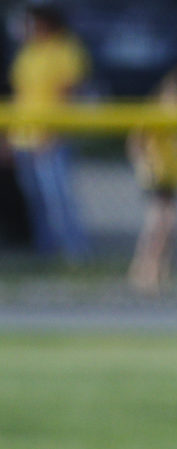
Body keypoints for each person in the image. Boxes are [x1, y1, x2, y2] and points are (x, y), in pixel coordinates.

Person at [8, 2, 89, 261]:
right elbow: (19, 97)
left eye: (32, 22)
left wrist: (52, 133)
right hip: (24, 136)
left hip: (52, 137)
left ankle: (77, 253)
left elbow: (67, 95)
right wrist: (8, 137)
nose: (27, 27)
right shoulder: (28, 52)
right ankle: (47, 253)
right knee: (36, 200)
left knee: (58, 198)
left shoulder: (66, 48)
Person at [126, 66, 177, 295]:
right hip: (158, 175)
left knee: (171, 227)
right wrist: (144, 164)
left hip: (175, 177)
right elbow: (136, 141)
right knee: (159, 224)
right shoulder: (156, 112)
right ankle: (144, 271)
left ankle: (161, 272)